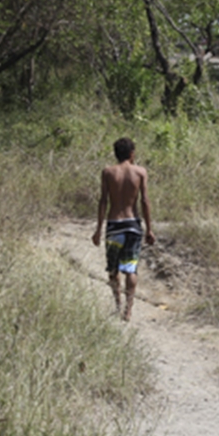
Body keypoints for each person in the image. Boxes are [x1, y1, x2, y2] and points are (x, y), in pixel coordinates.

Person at [92, 137, 155, 321]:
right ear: (132, 153)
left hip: (114, 224)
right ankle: (128, 309)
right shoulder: (140, 172)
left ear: (116, 154)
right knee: (131, 268)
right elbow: (145, 201)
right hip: (133, 224)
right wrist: (149, 229)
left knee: (113, 269)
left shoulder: (108, 172)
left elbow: (103, 200)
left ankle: (117, 304)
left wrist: (98, 229)